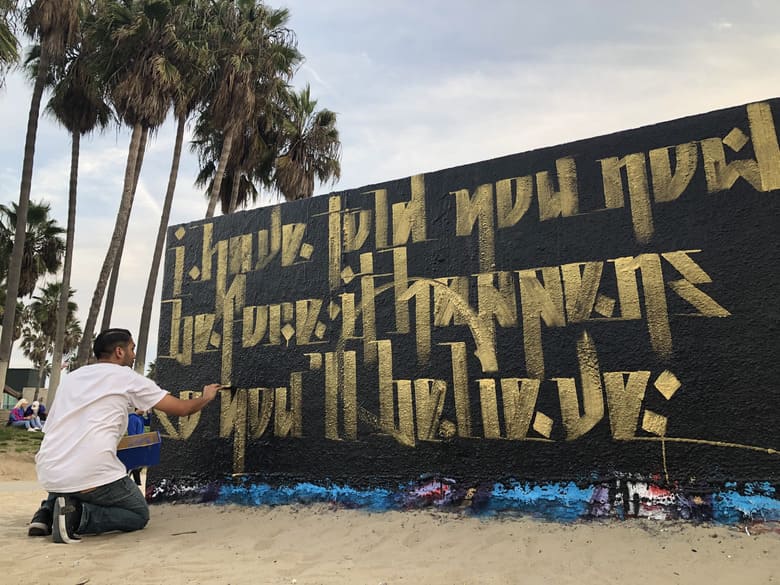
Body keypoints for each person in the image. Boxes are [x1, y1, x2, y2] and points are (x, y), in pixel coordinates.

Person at [28, 328, 222, 544]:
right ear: (119, 352)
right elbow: (181, 409)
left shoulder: (72, 378)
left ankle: (45, 513)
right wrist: (205, 397)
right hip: (89, 471)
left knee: (70, 476)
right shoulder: (126, 377)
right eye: (132, 348)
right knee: (138, 513)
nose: (134, 354)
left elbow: (53, 426)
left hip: (48, 468)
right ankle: (78, 516)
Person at [126, 408, 147, 486]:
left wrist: (149, 414)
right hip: (136, 444)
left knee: (139, 464)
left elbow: (148, 422)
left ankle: (137, 482)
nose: (145, 410)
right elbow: (132, 433)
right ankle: (136, 482)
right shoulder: (132, 418)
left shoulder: (140, 418)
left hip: (141, 444)